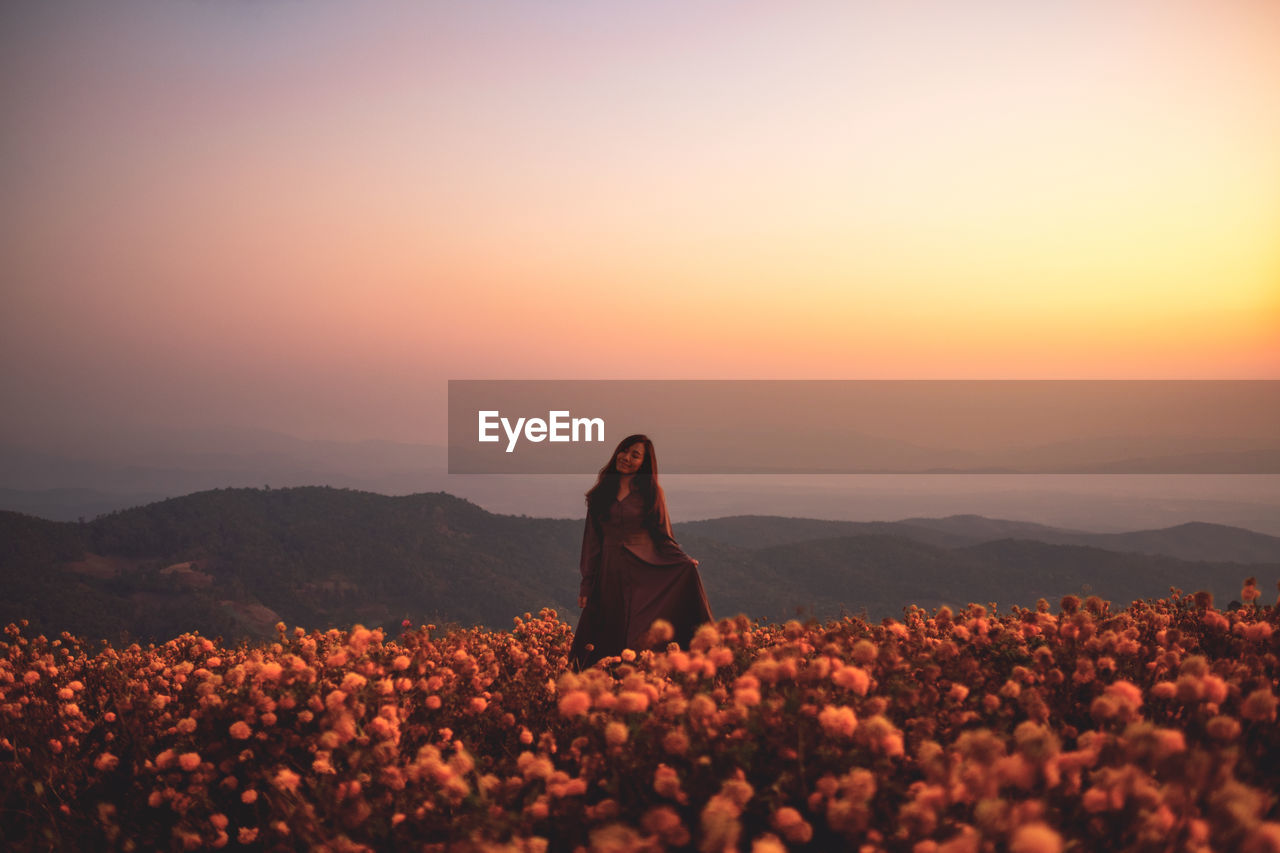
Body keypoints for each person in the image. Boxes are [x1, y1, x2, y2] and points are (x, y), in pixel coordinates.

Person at [568, 434, 714, 670]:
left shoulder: (652, 492)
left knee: (638, 631)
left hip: (644, 570)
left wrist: (683, 562)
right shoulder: (600, 493)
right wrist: (587, 584)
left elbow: (662, 534)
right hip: (609, 572)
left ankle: (641, 681)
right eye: (624, 451)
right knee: (606, 632)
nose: (626, 458)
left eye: (634, 455)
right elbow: (592, 542)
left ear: (644, 462)